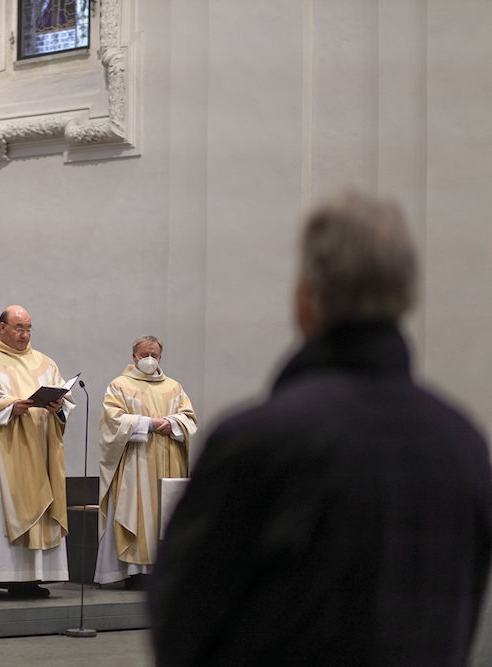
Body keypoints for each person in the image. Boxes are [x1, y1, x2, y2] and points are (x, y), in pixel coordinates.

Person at [150, 192, 492, 666]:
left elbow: (180, 620)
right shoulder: (464, 445)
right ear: (407, 298)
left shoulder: (258, 442)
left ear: (305, 299)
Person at [0, 305, 75, 599]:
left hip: (38, 450)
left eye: (29, 329)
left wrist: (58, 406)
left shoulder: (45, 362)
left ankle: (28, 579)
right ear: (2, 327)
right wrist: (9, 407)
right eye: (19, 328)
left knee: (36, 514)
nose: (25, 335)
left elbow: (64, 397)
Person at [96, 335, 196, 588]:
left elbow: (189, 418)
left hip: (169, 463)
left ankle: (163, 571)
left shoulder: (173, 387)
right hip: (136, 463)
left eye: (154, 355)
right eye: (144, 355)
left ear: (160, 357)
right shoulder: (119, 385)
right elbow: (112, 421)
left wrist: (172, 423)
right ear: (134, 356)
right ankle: (136, 572)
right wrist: (149, 423)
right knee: (137, 513)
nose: (150, 360)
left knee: (165, 514)